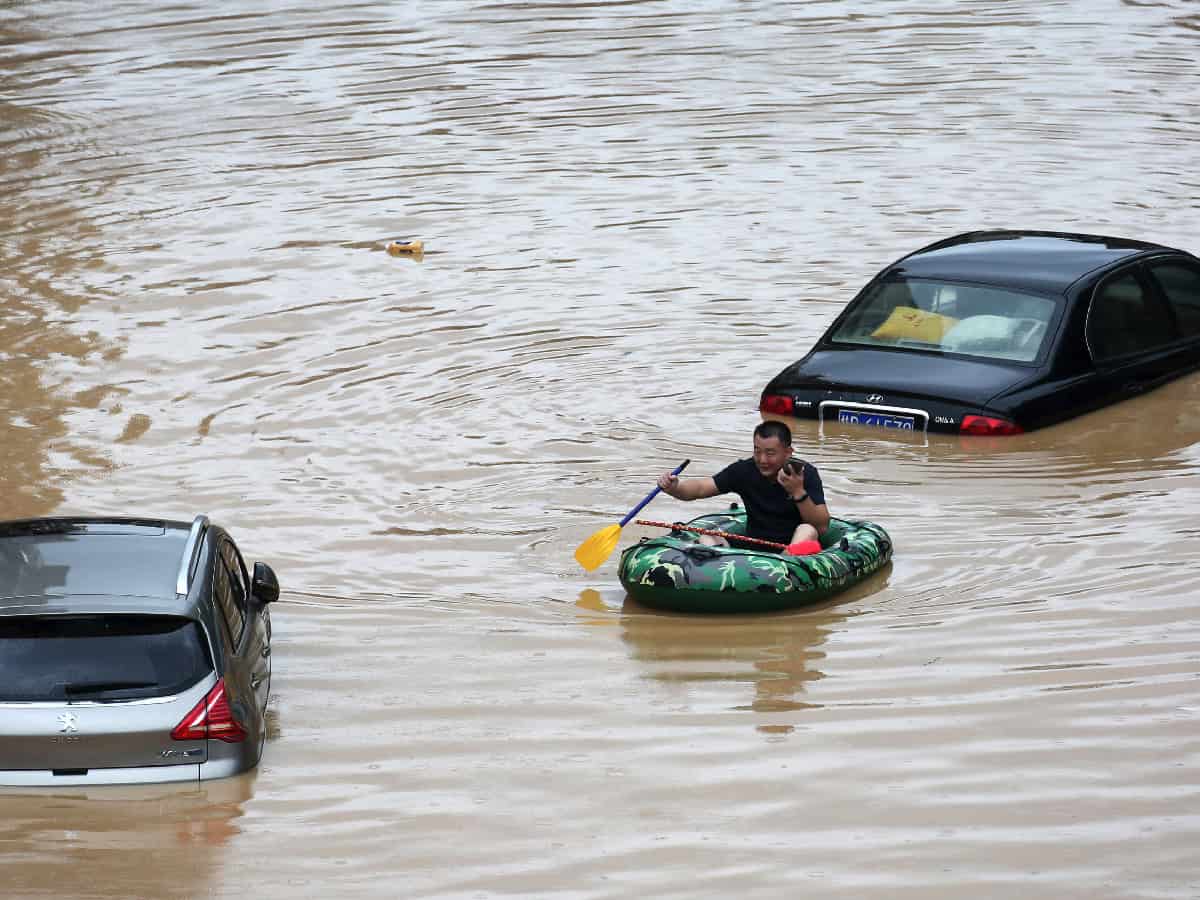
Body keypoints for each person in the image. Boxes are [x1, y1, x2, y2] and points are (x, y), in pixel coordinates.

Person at [656, 421, 829, 551]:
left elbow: (821, 526)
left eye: (770, 453)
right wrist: (675, 488)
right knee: (708, 537)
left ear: (788, 453)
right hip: (753, 544)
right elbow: (702, 487)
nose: (762, 460)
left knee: (807, 530)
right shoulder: (744, 470)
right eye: (757, 451)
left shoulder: (805, 474)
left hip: (791, 547)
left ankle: (784, 568)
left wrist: (797, 491)